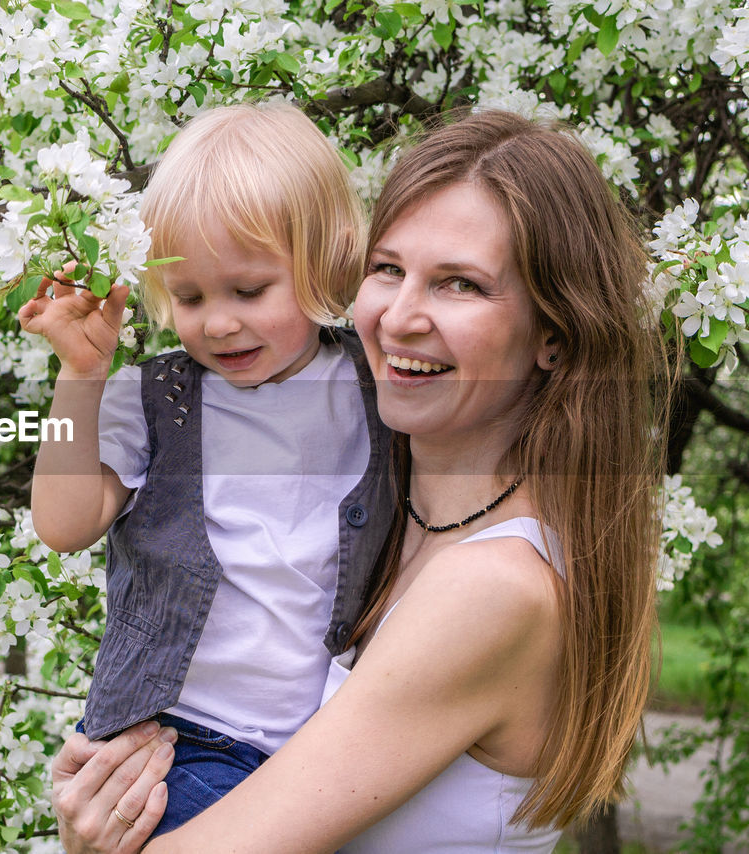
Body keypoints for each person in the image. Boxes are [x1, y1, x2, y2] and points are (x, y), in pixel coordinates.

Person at [50, 109, 669, 853]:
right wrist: (78, 383)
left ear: (553, 336)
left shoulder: (493, 587)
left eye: (461, 285)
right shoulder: (386, 509)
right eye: (388, 269)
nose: (401, 317)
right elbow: (65, 516)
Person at [17, 103, 395, 836]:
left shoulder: (375, 388)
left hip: (316, 753)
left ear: (327, 260)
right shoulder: (158, 399)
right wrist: (81, 376)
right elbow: (62, 527)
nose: (217, 323)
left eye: (248, 291)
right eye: (189, 297)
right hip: (173, 743)